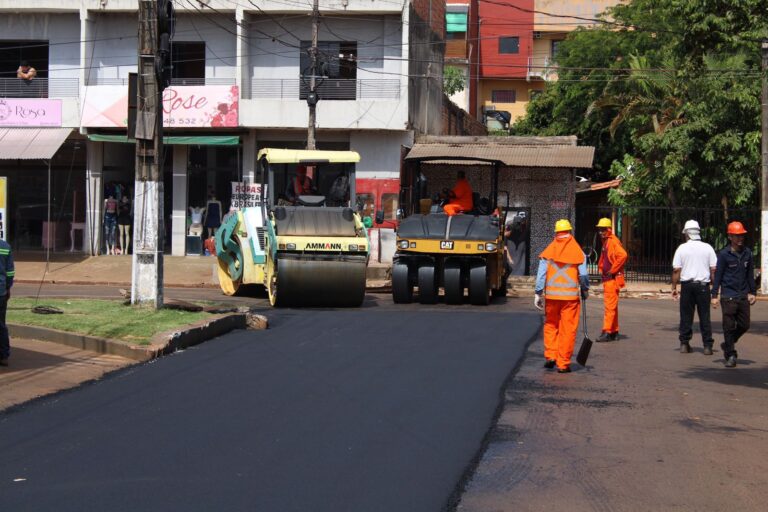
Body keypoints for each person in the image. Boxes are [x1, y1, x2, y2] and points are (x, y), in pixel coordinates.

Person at [534, 219, 590, 373]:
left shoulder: (549, 251)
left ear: (556, 232)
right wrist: (585, 290)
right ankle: (563, 364)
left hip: (552, 298)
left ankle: (550, 356)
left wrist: (538, 293)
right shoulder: (578, 252)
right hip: (570, 300)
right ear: (570, 232)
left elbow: (541, 275)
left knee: (551, 325)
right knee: (567, 329)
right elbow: (584, 276)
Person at [711, 221, 756, 368]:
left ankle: (728, 343)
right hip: (728, 296)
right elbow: (718, 276)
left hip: (743, 295)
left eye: (741, 235)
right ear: (730, 236)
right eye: (737, 236)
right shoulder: (724, 254)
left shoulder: (747, 253)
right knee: (728, 326)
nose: (740, 238)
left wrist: (752, 292)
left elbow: (750, 275)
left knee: (744, 324)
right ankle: (731, 354)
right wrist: (714, 295)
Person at [671, 220, 717, 355]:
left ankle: (684, 344)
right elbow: (713, 270)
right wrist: (714, 290)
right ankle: (707, 346)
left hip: (687, 286)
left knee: (686, 316)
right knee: (705, 316)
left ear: (687, 234)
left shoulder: (682, 248)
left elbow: (676, 271)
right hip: (703, 287)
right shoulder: (708, 248)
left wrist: (674, 287)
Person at [595, 218, 628, 342]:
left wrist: (613, 270)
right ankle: (614, 331)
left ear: (608, 229)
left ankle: (607, 332)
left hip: (611, 279)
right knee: (612, 306)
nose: (600, 232)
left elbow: (623, 255)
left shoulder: (612, 241)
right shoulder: (607, 241)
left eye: (603, 230)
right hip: (608, 279)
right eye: (599, 229)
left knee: (609, 307)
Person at [0, 238, 14, 367]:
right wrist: (8, 288)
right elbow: (10, 272)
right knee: (1, 324)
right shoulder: (5, 246)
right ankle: (4, 355)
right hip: (1, 291)